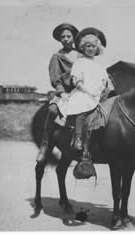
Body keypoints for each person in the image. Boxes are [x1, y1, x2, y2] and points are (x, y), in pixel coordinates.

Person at [56, 27, 114, 159]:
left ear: (97, 48)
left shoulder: (100, 66)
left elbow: (105, 82)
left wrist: (106, 88)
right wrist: (88, 92)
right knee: (82, 110)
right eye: (88, 46)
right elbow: (77, 82)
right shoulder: (79, 62)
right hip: (83, 93)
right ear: (83, 47)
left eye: (93, 46)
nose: (91, 49)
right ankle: (77, 138)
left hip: (97, 95)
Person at [36, 23, 82, 163]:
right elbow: (56, 79)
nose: (66, 39)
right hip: (65, 92)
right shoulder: (57, 57)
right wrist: (62, 93)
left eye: (68, 36)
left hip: (81, 91)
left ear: (74, 37)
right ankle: (45, 144)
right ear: (59, 40)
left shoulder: (81, 54)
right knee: (53, 110)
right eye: (63, 37)